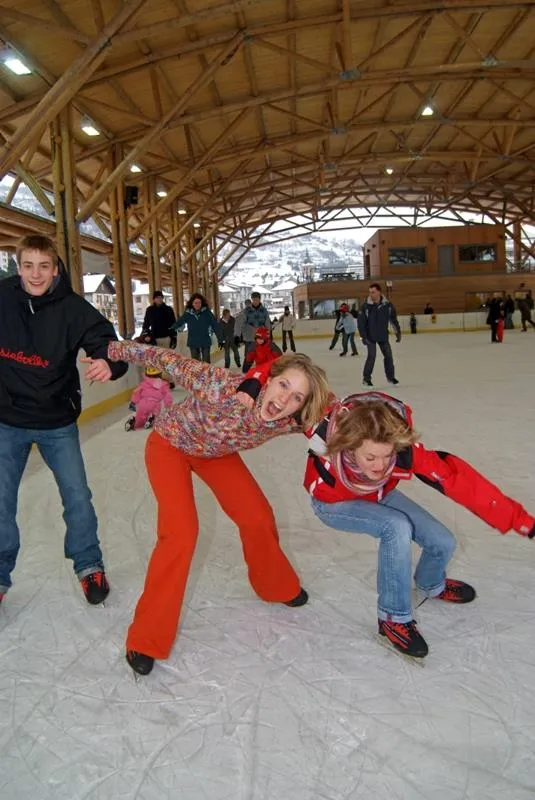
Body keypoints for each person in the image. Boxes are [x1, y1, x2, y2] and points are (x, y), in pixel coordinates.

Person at [106, 341, 331, 675]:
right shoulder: (222, 386)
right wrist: (111, 350)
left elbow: (342, 417)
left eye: (297, 397)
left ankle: (276, 586)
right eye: (284, 385)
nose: (284, 400)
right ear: (268, 379)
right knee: (181, 535)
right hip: (170, 445)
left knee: (257, 516)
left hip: (215, 455)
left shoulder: (291, 419)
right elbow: (163, 358)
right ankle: (145, 638)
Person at [301, 391, 535, 659]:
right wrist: (250, 389)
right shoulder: (326, 433)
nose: (380, 465)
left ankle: (431, 583)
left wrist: (524, 522)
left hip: (379, 494)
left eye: (387, 456)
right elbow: (291, 390)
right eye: (371, 458)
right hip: (332, 503)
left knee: (442, 540)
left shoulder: (404, 453)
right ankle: (393, 617)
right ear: (351, 445)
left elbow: (462, 482)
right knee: (396, 526)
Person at [0, 234, 128, 606]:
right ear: (18, 266)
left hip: (56, 420)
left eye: (44, 266)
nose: (36, 275)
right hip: (7, 419)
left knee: (77, 497)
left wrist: (110, 361)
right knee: (1, 501)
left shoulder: (73, 308)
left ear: (55, 269)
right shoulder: (3, 298)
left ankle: (89, 566)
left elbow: (107, 341)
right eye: (28, 266)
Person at [358, 283, 401, 387]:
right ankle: (366, 379)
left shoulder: (388, 306)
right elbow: (361, 323)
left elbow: (393, 320)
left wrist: (397, 332)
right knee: (371, 356)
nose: (371, 294)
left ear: (379, 292)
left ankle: (391, 378)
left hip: (382, 335)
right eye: (370, 292)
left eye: (373, 292)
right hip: (370, 336)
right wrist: (363, 336)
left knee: (388, 356)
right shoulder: (365, 307)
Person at [170, 292, 221, 363]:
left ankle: (206, 374)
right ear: (192, 303)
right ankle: (197, 374)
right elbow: (179, 322)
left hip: (205, 339)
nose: (197, 305)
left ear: (202, 303)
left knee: (206, 361)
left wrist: (221, 339)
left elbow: (215, 325)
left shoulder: (207, 313)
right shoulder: (188, 313)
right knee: (195, 362)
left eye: (199, 303)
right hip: (193, 340)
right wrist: (171, 329)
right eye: (195, 303)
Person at [125, 367, 173, 431]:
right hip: (155, 403)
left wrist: (133, 402)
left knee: (140, 415)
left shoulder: (145, 382)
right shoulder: (164, 383)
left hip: (143, 402)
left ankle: (135, 421)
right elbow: (168, 395)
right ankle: (152, 418)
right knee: (157, 414)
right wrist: (168, 405)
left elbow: (136, 392)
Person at [236, 292, 271, 371]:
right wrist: (237, 335)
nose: (255, 301)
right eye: (254, 299)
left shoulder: (264, 311)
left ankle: (262, 372)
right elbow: (240, 323)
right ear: (252, 300)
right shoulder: (246, 311)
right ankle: (245, 373)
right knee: (248, 356)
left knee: (262, 355)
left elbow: (267, 323)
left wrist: (269, 334)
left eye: (257, 299)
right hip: (249, 337)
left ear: (259, 299)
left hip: (261, 337)